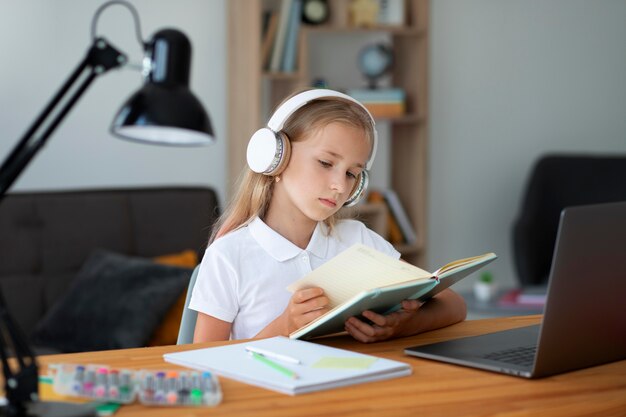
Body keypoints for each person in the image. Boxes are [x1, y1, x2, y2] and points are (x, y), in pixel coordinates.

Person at [190, 89, 466, 343]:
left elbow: (454, 305)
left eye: (351, 174)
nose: (340, 186)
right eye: (325, 163)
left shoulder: (358, 240)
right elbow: (202, 362)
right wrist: (284, 326)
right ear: (275, 157)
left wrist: (401, 325)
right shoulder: (229, 256)